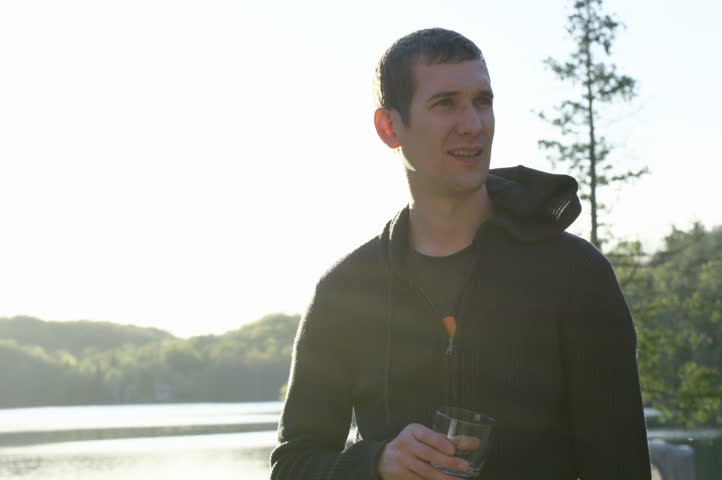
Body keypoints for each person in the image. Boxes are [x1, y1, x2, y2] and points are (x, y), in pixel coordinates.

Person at [270, 28, 651, 480]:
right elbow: (293, 466)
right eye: (445, 103)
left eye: (482, 101)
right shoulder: (344, 291)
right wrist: (377, 464)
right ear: (389, 127)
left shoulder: (574, 273)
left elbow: (621, 465)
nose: (473, 123)